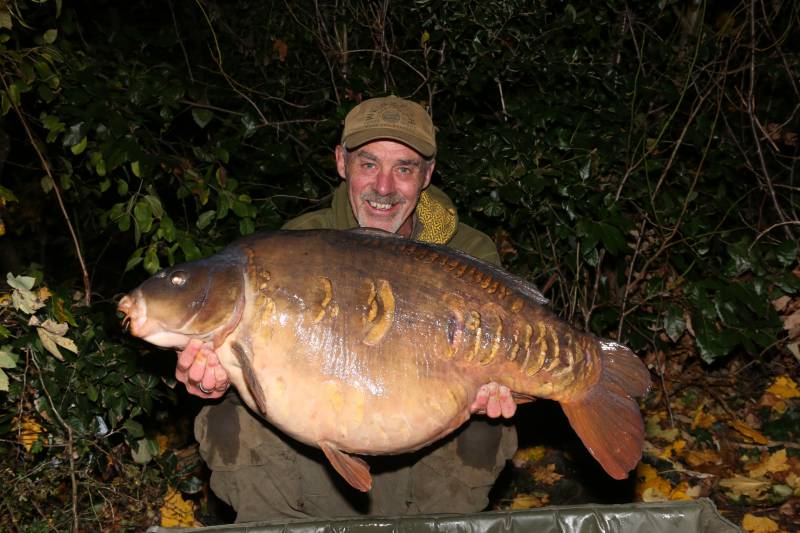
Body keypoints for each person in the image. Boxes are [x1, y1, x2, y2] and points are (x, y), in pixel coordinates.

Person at [176, 95, 519, 522]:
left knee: (489, 427)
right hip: (315, 465)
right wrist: (214, 377)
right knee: (226, 412)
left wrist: (495, 386)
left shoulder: (467, 253)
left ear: (428, 175)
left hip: (425, 454)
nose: (384, 187)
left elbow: (505, 361)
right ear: (342, 163)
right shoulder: (295, 246)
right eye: (369, 164)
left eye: (405, 169)